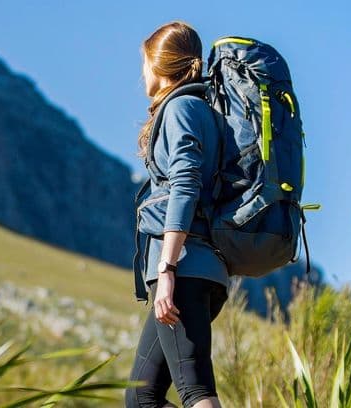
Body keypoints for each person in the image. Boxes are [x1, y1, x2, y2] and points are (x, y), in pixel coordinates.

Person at [125, 21, 231, 408]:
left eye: (144, 63)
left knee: (195, 390)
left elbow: (185, 185)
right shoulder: (204, 110)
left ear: (159, 64)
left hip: (183, 269)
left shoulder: (182, 108)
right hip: (201, 268)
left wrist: (167, 269)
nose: (142, 74)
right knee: (141, 398)